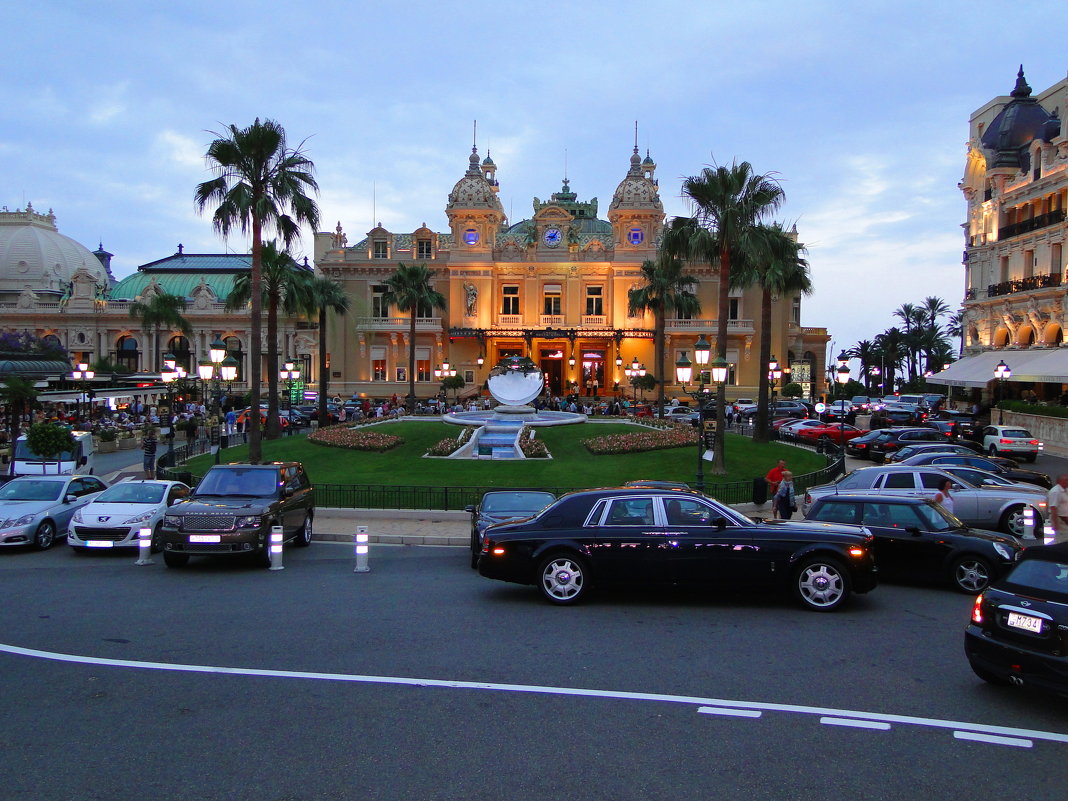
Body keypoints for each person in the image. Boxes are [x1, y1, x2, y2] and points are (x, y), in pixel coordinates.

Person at [1048, 474, 1068, 545]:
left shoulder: (1065, 490)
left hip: (1065, 519)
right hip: (1060, 519)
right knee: (1062, 539)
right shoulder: (1056, 492)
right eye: (1066, 480)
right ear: (1060, 481)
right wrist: (1055, 524)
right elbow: (1053, 508)